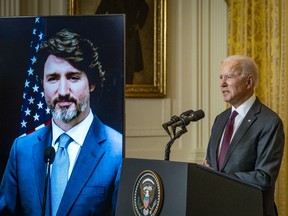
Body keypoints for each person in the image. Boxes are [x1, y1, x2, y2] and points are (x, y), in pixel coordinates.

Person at [0, 28, 123, 215]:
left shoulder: (118, 151)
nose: (63, 91)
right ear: (42, 84)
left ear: (92, 83)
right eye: (53, 78)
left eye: (73, 77)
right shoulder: (21, 149)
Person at [203, 55, 285, 216]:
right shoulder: (220, 119)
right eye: (221, 77)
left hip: (251, 209)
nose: (222, 84)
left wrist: (218, 176)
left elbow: (264, 177)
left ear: (249, 82)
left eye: (229, 77)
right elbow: (210, 165)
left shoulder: (269, 121)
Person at [96, 0, 149, 84]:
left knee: (129, 63)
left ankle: (128, 88)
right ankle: (115, 88)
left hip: (130, 33)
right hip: (114, 33)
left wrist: (138, 24)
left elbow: (145, 8)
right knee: (114, 62)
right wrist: (106, 26)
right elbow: (99, 13)